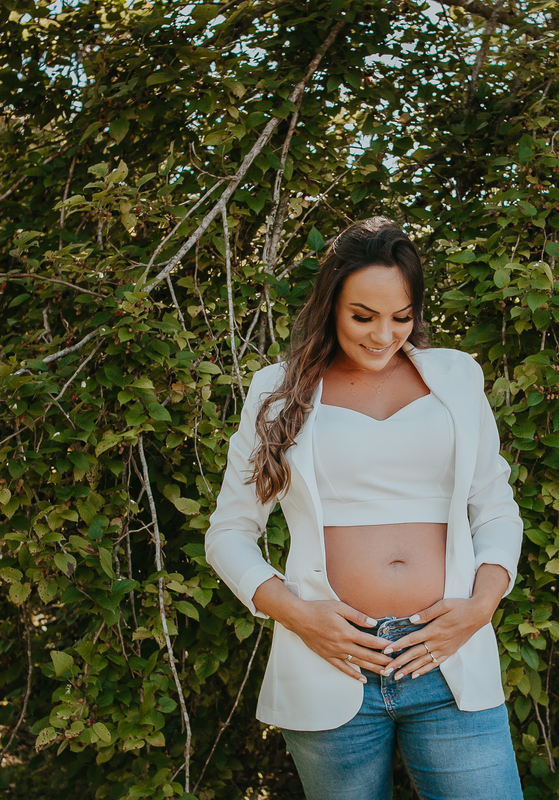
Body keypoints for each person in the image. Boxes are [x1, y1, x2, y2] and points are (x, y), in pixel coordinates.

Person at [203, 217, 524, 799]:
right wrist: (300, 617)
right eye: (363, 316)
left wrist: (481, 605)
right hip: (331, 662)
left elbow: (495, 507)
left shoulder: (456, 378)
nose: (383, 336)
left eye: (401, 317)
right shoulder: (279, 393)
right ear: (330, 306)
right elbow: (229, 532)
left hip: (447, 658)